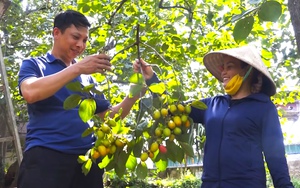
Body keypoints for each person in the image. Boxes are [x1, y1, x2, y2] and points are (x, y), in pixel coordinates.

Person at [17, 10, 154, 188]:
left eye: (84, 40)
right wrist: (77, 68)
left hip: (87, 162)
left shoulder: (87, 79)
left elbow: (109, 117)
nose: (80, 45)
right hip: (46, 157)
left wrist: (135, 92)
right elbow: (30, 92)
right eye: (75, 37)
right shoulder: (35, 64)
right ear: (56, 33)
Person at [136, 45, 294, 188]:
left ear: (247, 71)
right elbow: (173, 109)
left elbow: (276, 157)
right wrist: (151, 79)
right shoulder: (212, 104)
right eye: (223, 67)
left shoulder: (263, 107)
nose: (223, 72)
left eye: (230, 67)